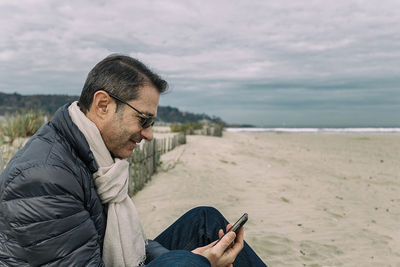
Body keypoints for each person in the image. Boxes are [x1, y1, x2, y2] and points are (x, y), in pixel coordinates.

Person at [0, 54, 266, 266]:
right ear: (103, 105)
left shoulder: (98, 159)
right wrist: (195, 262)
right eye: (144, 120)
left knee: (204, 220)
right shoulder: (45, 177)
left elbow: (131, 243)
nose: (149, 134)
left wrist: (188, 258)